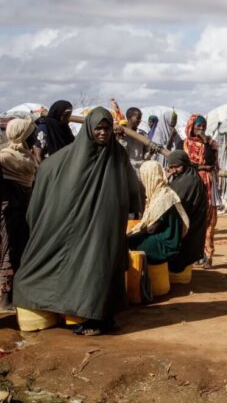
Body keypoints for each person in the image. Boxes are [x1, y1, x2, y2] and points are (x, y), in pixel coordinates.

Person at [13, 107, 141, 336]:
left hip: (108, 224)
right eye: (98, 128)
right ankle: (87, 317)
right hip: (81, 225)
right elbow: (52, 177)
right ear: (89, 129)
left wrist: (133, 207)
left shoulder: (118, 155)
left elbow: (131, 186)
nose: (103, 133)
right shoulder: (70, 158)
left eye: (107, 128)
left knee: (103, 268)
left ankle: (103, 316)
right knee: (87, 267)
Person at [0, 118, 38, 310]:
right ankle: (4, 298)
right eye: (32, 134)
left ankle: (16, 293)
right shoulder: (5, 157)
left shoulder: (29, 156)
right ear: (22, 135)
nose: (36, 137)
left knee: (22, 250)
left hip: (25, 207)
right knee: (7, 250)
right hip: (10, 208)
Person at [127, 161, 190, 264]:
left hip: (167, 245)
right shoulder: (163, 192)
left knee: (127, 243)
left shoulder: (162, 198)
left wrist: (133, 234)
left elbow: (152, 229)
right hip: (166, 239)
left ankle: (141, 278)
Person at [183, 115, 219, 268]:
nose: (202, 128)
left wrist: (205, 143)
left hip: (208, 185)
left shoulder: (210, 143)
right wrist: (200, 167)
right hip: (191, 184)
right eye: (198, 125)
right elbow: (184, 164)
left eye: (204, 125)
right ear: (191, 126)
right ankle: (196, 254)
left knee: (208, 221)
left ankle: (208, 255)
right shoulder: (184, 144)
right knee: (192, 220)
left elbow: (211, 162)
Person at [165, 150, 209, 274]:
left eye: (176, 167)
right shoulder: (185, 176)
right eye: (170, 167)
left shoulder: (188, 181)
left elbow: (171, 203)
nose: (173, 170)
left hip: (189, 228)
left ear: (185, 164)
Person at [119, 107, 149, 173]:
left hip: (141, 169)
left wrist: (150, 153)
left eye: (140, 118)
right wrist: (121, 139)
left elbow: (146, 153)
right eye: (138, 118)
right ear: (129, 117)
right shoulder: (120, 133)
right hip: (126, 168)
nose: (139, 120)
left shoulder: (143, 134)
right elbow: (120, 153)